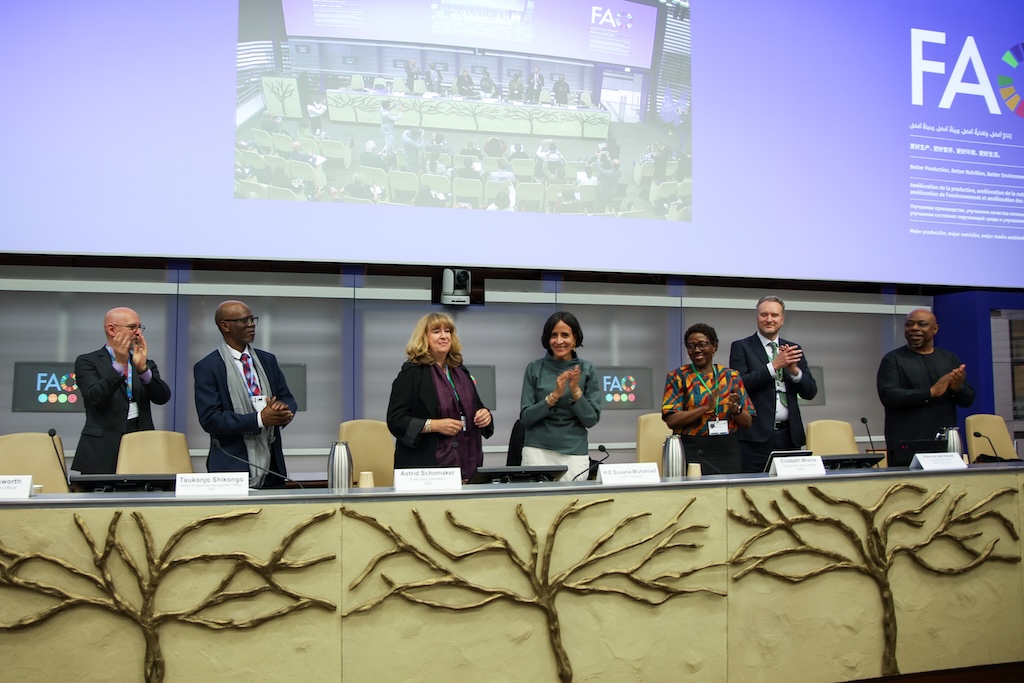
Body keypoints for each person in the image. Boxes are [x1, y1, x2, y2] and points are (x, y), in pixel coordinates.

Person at [194, 300, 296, 488]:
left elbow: (287, 397)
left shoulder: (267, 360)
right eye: (244, 321)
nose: (251, 325)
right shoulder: (208, 367)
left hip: (272, 467)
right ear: (225, 326)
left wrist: (282, 409)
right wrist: (259, 419)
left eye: (252, 319)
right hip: (232, 467)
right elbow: (210, 419)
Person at [387, 313, 493, 481]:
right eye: (436, 331)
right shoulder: (412, 373)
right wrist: (434, 425)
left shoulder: (460, 371)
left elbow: (476, 407)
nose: (444, 336)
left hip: (466, 463)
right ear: (424, 338)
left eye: (447, 331)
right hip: (426, 468)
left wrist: (484, 415)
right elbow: (396, 420)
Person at [73, 307, 172, 473]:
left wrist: (143, 370)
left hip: (140, 443)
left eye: (140, 327)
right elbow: (95, 397)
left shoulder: (143, 362)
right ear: (112, 330)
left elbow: (162, 397)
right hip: (102, 449)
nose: (138, 332)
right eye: (132, 327)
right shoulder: (88, 361)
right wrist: (119, 364)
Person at [729, 295, 818, 473]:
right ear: (757, 318)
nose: (769, 319)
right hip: (755, 438)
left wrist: (794, 371)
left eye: (774, 315)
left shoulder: (793, 349)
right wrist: (774, 366)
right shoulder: (741, 347)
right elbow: (740, 385)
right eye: (764, 315)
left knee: (792, 488)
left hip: (789, 436)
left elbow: (810, 392)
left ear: (782, 320)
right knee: (755, 488)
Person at [877, 308, 975, 452]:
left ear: (935, 329)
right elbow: (889, 396)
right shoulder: (893, 359)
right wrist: (930, 392)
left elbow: (967, 401)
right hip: (907, 440)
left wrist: (958, 388)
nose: (914, 328)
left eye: (922, 324)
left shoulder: (949, 359)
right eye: (909, 324)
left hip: (943, 441)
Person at [519, 311, 601, 482]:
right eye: (553, 335)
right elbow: (525, 418)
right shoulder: (534, 368)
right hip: (537, 451)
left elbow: (591, 419)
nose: (559, 341)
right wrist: (554, 396)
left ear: (574, 338)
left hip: (574, 453)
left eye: (565, 335)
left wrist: (575, 391)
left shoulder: (586, 369)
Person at [663, 323, 754, 475]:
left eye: (702, 344)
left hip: (728, 450)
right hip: (693, 449)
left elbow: (748, 422)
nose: (696, 350)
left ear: (714, 347)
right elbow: (671, 420)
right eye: (691, 346)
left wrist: (736, 410)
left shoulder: (731, 376)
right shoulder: (678, 376)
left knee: (729, 490)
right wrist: (705, 408)